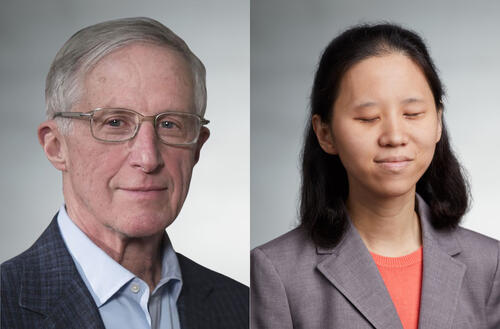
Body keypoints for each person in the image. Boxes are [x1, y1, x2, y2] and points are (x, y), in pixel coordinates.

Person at [1, 17, 248, 329]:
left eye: (169, 124)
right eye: (115, 122)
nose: (148, 158)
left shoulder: (244, 307)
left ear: (197, 148)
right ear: (55, 146)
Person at [251, 23, 500, 329]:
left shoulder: (490, 264)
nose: (395, 136)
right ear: (325, 133)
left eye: (412, 114)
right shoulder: (277, 272)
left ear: (438, 121)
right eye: (368, 118)